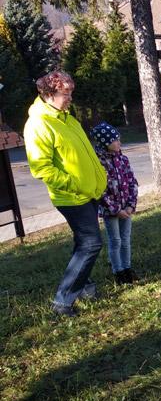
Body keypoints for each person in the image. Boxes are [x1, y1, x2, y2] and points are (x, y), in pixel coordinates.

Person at [24, 71, 107, 317]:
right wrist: (74, 184)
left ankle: (86, 289)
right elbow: (41, 168)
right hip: (71, 196)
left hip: (88, 192)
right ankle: (62, 302)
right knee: (91, 243)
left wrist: (98, 177)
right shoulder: (39, 124)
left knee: (84, 243)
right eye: (65, 93)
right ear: (48, 95)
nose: (70, 97)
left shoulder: (67, 118)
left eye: (71, 92)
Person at [89, 122, 139, 284]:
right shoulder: (98, 163)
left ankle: (127, 268)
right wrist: (116, 209)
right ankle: (118, 272)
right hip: (111, 211)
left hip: (126, 208)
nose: (119, 143)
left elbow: (132, 182)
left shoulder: (123, 159)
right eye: (115, 140)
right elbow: (100, 191)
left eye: (119, 139)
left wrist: (130, 205)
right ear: (105, 142)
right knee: (115, 240)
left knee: (125, 239)